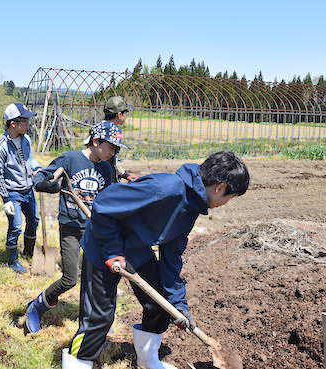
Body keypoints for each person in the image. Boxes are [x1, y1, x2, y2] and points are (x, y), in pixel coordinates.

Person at [63, 151, 250, 369]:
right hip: (104, 244)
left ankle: (147, 359)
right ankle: (78, 362)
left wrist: (178, 303)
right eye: (230, 197)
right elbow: (104, 203)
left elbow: (171, 254)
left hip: (135, 248)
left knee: (161, 305)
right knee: (99, 317)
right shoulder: (165, 188)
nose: (227, 202)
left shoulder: (192, 206)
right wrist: (114, 251)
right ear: (220, 187)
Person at [24, 121, 126, 334]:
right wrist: (49, 184)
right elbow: (41, 178)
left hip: (94, 230)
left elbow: (110, 198)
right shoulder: (70, 159)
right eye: (112, 147)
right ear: (96, 141)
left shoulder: (107, 168)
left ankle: (90, 322)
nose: (114, 152)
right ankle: (37, 305)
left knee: (92, 280)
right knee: (71, 278)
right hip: (71, 227)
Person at [0, 103, 42, 274]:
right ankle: (12, 259)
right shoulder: (1, 147)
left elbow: (31, 160)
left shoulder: (26, 140)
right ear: (13, 123)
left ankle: (28, 252)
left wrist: (39, 169)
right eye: (25, 121)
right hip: (13, 192)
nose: (28, 124)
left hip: (29, 189)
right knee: (16, 226)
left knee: (34, 220)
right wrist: (6, 199)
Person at [103, 96, 137, 183]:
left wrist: (125, 174)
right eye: (125, 113)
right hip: (104, 175)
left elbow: (113, 160)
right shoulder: (110, 130)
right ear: (119, 114)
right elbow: (109, 158)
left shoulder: (102, 127)